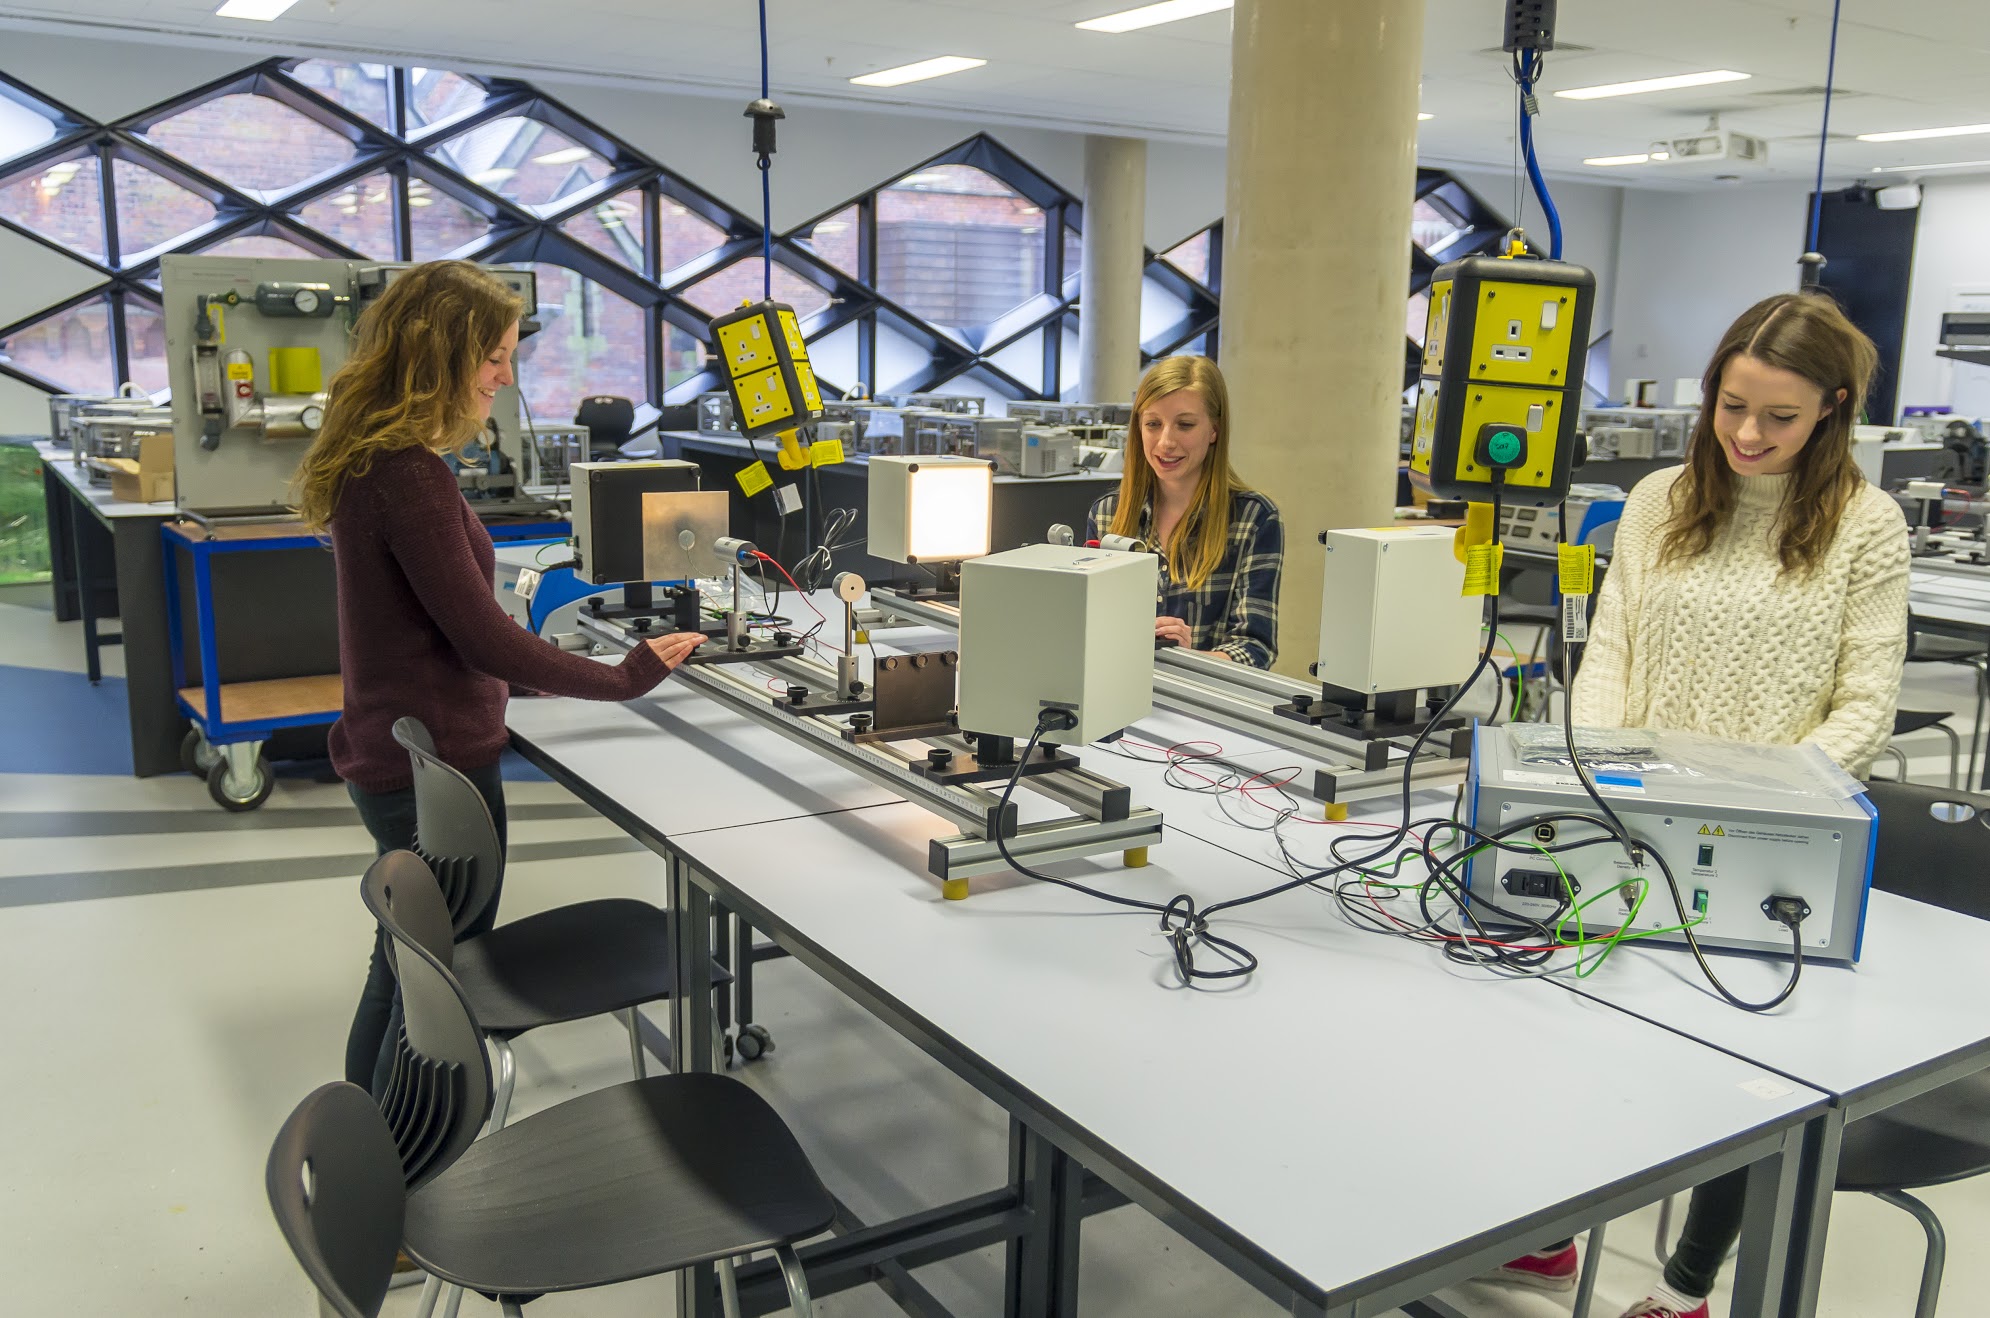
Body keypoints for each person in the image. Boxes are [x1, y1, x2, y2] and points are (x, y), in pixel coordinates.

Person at [1492, 292, 1908, 1317]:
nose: (1746, 434)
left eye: (1776, 415)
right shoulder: (1657, 499)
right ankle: (1547, 1234)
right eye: (1731, 405)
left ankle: (1684, 1289)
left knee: (1748, 1064)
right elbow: (1610, 656)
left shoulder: (1867, 525)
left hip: (1775, 836)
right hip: (1635, 817)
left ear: (1833, 408)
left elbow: (1867, 704)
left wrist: (1761, 803)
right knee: (1582, 1021)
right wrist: (1596, 773)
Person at [292, 260, 705, 1100]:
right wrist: (619, 677)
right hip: (435, 771)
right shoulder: (408, 474)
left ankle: (367, 1142)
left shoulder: (379, 459)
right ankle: (392, 1175)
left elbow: (432, 631)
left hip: (401, 751)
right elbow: (480, 636)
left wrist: (529, 679)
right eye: (494, 357)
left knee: (406, 962)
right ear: (441, 353)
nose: (505, 376)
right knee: (433, 981)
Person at [1084, 355, 1283, 667]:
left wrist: (1187, 659)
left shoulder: (1253, 519)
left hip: (1204, 707)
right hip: (1115, 702)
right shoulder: (1107, 514)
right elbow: (1088, 630)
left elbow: (1256, 649)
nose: (1166, 442)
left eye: (1185, 425)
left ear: (1214, 430)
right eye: (1153, 424)